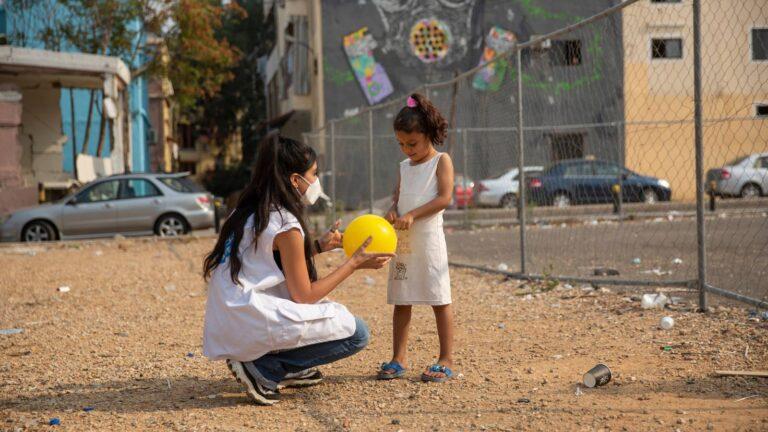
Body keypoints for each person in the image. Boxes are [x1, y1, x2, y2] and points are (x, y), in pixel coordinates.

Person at [202, 135, 394, 405]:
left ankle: (287, 366)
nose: (316, 181)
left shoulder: (247, 210)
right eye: (313, 174)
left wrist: (317, 246)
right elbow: (305, 294)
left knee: (313, 313)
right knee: (356, 332)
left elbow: (268, 259)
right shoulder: (285, 222)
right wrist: (353, 263)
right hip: (246, 317)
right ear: (295, 180)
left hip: (229, 315)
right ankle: (266, 368)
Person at [378, 93, 456, 383]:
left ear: (428, 135)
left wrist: (413, 215)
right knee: (401, 298)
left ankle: (445, 357)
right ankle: (399, 358)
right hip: (404, 245)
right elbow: (398, 198)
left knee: (439, 297)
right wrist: (392, 212)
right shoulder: (403, 166)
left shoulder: (441, 161)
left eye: (412, 143)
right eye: (401, 144)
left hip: (429, 243)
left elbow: (444, 198)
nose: (407, 149)